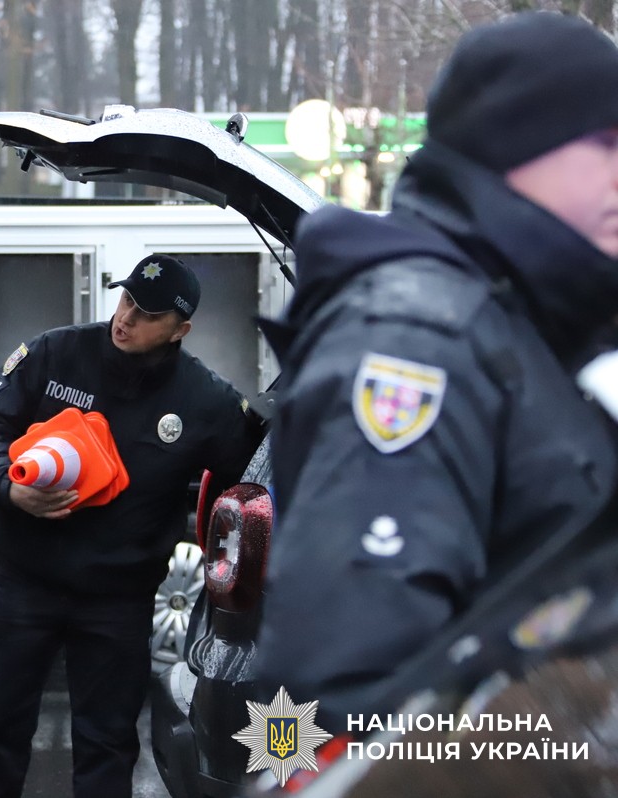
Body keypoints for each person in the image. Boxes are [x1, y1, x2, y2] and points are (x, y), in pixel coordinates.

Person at [252, 11, 618, 732]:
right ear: (512, 145)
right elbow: (347, 696)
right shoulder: (418, 341)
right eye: (607, 143)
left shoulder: (529, 328)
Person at [0, 253, 262, 798]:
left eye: (148, 314)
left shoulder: (205, 401)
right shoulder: (56, 353)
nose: (126, 318)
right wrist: (8, 487)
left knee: (106, 745)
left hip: (117, 601)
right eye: (126, 300)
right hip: (24, 584)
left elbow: (249, 487)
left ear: (180, 330)